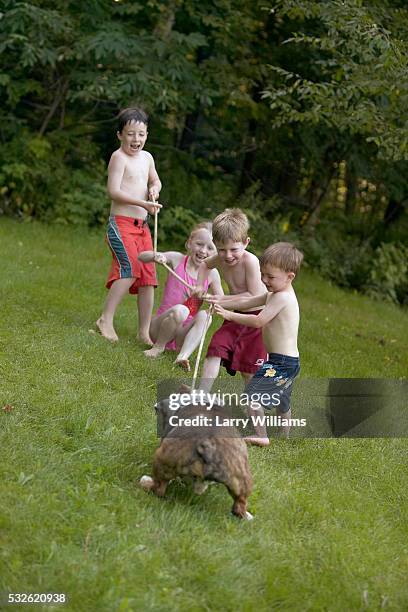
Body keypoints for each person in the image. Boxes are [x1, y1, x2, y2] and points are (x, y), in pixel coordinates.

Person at [212, 242, 303, 445]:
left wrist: (229, 315)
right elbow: (248, 302)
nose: (264, 280)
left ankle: (261, 435)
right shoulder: (273, 293)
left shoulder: (283, 298)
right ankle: (285, 434)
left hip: (281, 362)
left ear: (290, 277)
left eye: (271, 277)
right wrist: (220, 301)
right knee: (282, 400)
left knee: (252, 394)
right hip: (289, 362)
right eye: (263, 274)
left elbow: (258, 320)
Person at [96, 107, 162, 344]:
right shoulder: (119, 157)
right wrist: (143, 203)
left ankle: (144, 332)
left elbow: (155, 179)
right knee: (130, 268)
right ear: (120, 135)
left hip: (142, 227)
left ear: (146, 134)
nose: (136, 139)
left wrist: (154, 189)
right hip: (121, 225)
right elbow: (113, 191)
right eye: (131, 134)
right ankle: (105, 319)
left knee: (148, 276)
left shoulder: (147, 158)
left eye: (141, 134)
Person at [193, 208, 267, 392]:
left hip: (256, 319)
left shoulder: (250, 262)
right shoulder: (220, 258)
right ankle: (201, 395)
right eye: (221, 249)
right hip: (235, 315)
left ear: (246, 242)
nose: (227, 255)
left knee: (248, 370)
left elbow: (255, 298)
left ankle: (256, 414)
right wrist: (200, 286)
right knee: (215, 349)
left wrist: (223, 299)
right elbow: (204, 265)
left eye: (234, 249)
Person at [138, 222, 223, 371]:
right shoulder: (177, 259)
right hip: (160, 328)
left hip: (182, 336)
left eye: (210, 248)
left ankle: (182, 356)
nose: (203, 250)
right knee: (181, 310)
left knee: (206, 316)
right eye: (199, 244)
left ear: (216, 253)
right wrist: (156, 256)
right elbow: (141, 256)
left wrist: (209, 297)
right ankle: (158, 347)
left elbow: (221, 301)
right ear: (189, 243)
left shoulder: (212, 273)